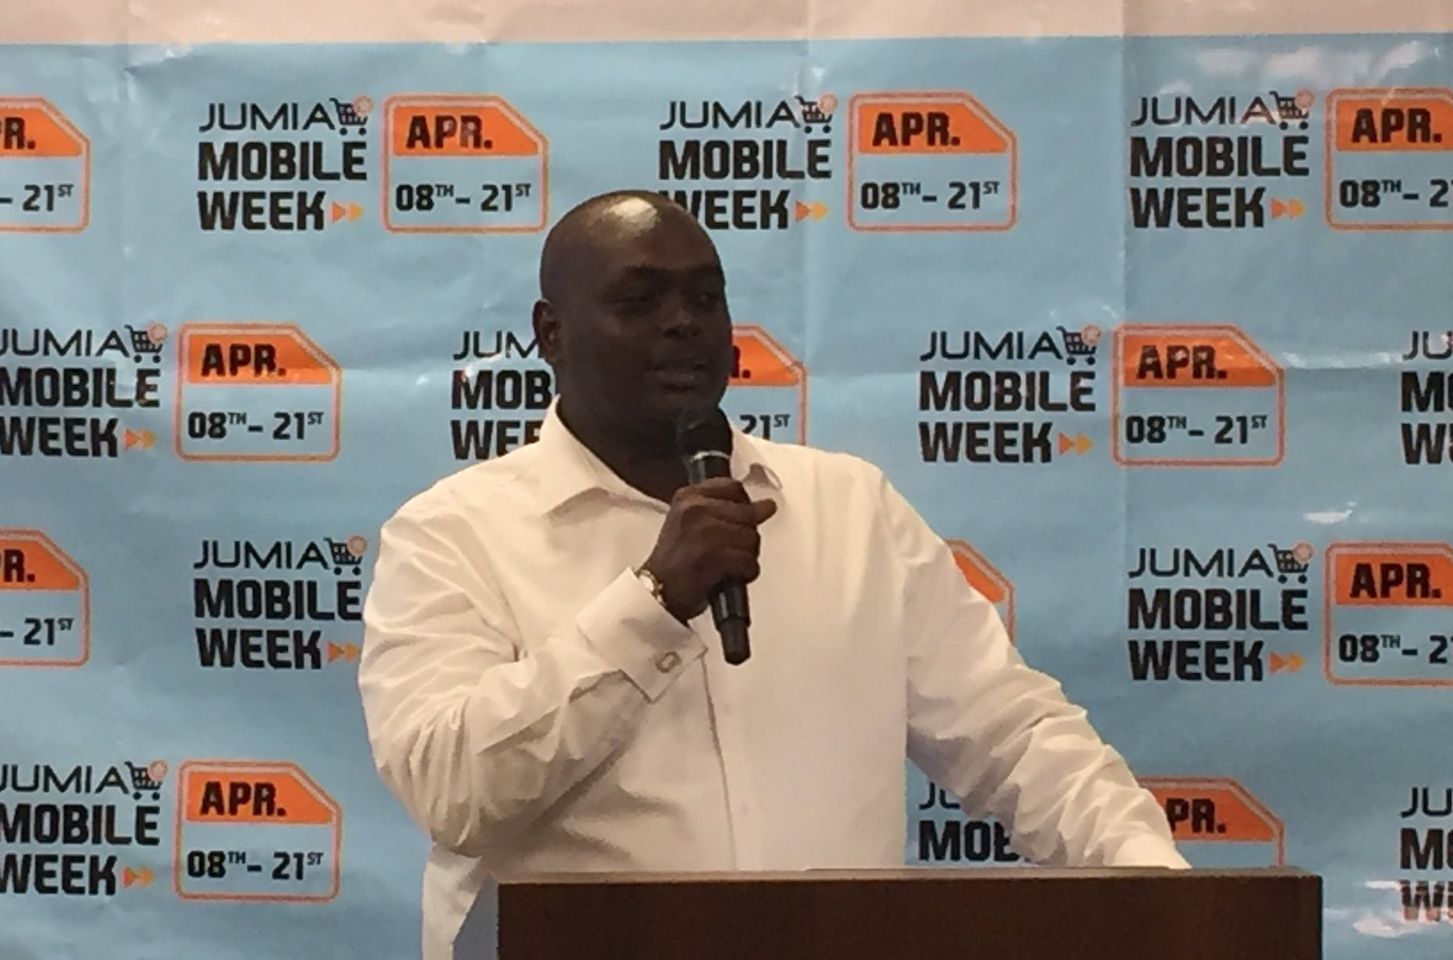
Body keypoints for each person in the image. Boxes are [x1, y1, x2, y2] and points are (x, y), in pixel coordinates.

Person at [358, 191, 1186, 959]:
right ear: (552, 333)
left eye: (705, 298)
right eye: (640, 301)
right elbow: (451, 790)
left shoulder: (849, 509)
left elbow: (1015, 737)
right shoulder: (452, 533)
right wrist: (651, 603)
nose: (683, 324)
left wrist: (1162, 891)